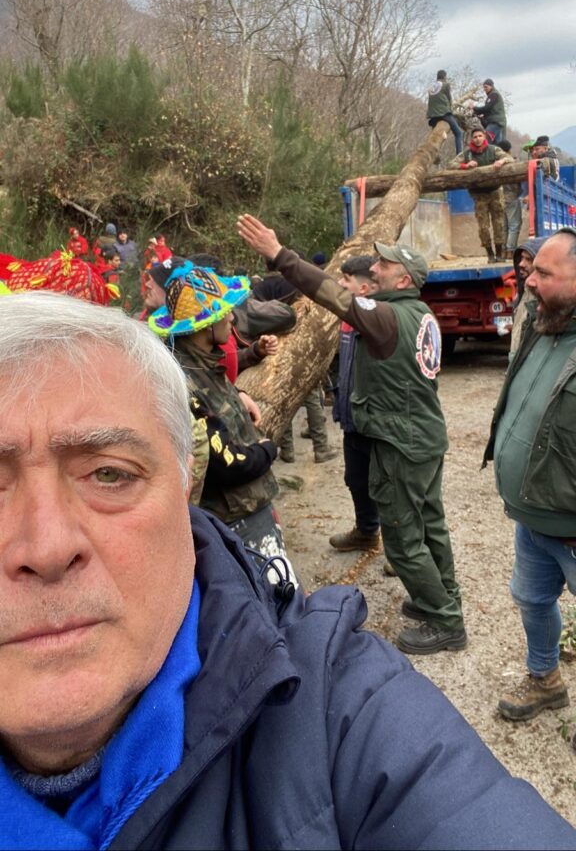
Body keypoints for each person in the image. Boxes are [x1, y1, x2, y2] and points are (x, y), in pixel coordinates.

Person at [1, 291, 576, 851]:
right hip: (335, 468)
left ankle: (443, 612)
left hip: (393, 455)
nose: (46, 546)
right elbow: (240, 448)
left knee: (410, 536)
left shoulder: (332, 708)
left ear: (181, 489)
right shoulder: (217, 370)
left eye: (109, 474)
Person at [237, 214, 467, 655]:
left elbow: (337, 299)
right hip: (423, 437)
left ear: (403, 278)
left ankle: (445, 620)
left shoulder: (385, 317)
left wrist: (280, 256)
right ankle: (440, 599)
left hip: (401, 443)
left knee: (401, 533)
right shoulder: (419, 313)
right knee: (430, 525)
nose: (374, 269)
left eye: (384, 265)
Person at [483, 227, 576, 722]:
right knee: (532, 601)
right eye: (532, 269)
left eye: (544, 272)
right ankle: (545, 680)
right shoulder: (541, 325)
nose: (530, 279)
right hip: (533, 519)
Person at [148, 262, 292, 566]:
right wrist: (269, 448)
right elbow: (225, 463)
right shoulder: (183, 382)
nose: (231, 317)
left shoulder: (203, 363)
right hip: (235, 517)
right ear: (204, 326)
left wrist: (239, 394)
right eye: (224, 312)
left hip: (248, 507)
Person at [328, 256, 381, 552]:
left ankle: (405, 551)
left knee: (388, 487)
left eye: (346, 279)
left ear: (362, 287)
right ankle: (367, 531)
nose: (340, 284)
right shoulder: (348, 319)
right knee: (356, 480)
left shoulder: (378, 320)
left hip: (375, 424)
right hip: (352, 420)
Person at [451, 127, 514, 261]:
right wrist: (465, 166)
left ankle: (499, 252)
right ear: (471, 139)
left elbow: (509, 157)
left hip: (495, 191)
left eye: (480, 136)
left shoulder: (493, 149)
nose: (478, 139)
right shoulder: (467, 154)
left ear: (484, 137)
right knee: (483, 227)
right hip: (479, 195)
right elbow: (451, 164)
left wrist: (501, 161)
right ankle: (490, 253)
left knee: (499, 224)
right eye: (475, 137)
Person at [509, 237, 546, 355]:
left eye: (528, 260)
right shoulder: (522, 293)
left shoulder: (547, 299)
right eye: (521, 258)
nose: (521, 264)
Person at [426, 69, 463, 154]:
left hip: (432, 116)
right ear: (445, 76)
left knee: (436, 137)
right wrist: (451, 112)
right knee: (459, 133)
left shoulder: (432, 87)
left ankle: (435, 154)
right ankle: (459, 155)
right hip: (444, 113)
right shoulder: (446, 84)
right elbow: (450, 99)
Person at [498, 139, 522, 257]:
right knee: (514, 224)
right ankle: (510, 251)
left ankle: (502, 251)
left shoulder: (496, 162)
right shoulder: (512, 161)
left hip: (499, 197)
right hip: (511, 196)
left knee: (504, 226)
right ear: (509, 150)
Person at [472, 78, 507, 143]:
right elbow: (488, 110)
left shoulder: (494, 94)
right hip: (498, 122)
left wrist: (474, 108)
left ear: (491, 86)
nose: (484, 89)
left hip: (495, 122)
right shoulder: (493, 95)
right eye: (484, 87)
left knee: (485, 141)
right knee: (497, 145)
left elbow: (487, 108)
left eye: (486, 87)